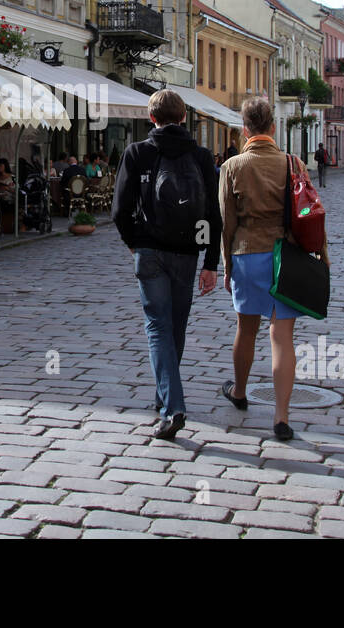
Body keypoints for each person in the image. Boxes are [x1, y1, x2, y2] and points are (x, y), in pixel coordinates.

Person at [112, 89, 221, 441]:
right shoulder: (202, 157)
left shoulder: (138, 153)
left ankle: (171, 404)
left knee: (157, 326)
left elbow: (119, 210)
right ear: (185, 117)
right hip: (187, 252)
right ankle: (166, 396)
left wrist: (134, 242)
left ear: (151, 118)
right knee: (175, 325)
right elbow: (213, 216)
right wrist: (210, 262)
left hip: (150, 251)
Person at [218, 96, 328, 442]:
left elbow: (227, 224)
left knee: (246, 329)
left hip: (248, 254)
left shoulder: (232, 167)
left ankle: (239, 391)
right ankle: (281, 416)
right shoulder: (293, 163)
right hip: (287, 258)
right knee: (282, 338)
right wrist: (322, 255)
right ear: (274, 127)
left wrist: (226, 265)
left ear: (244, 128)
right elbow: (310, 212)